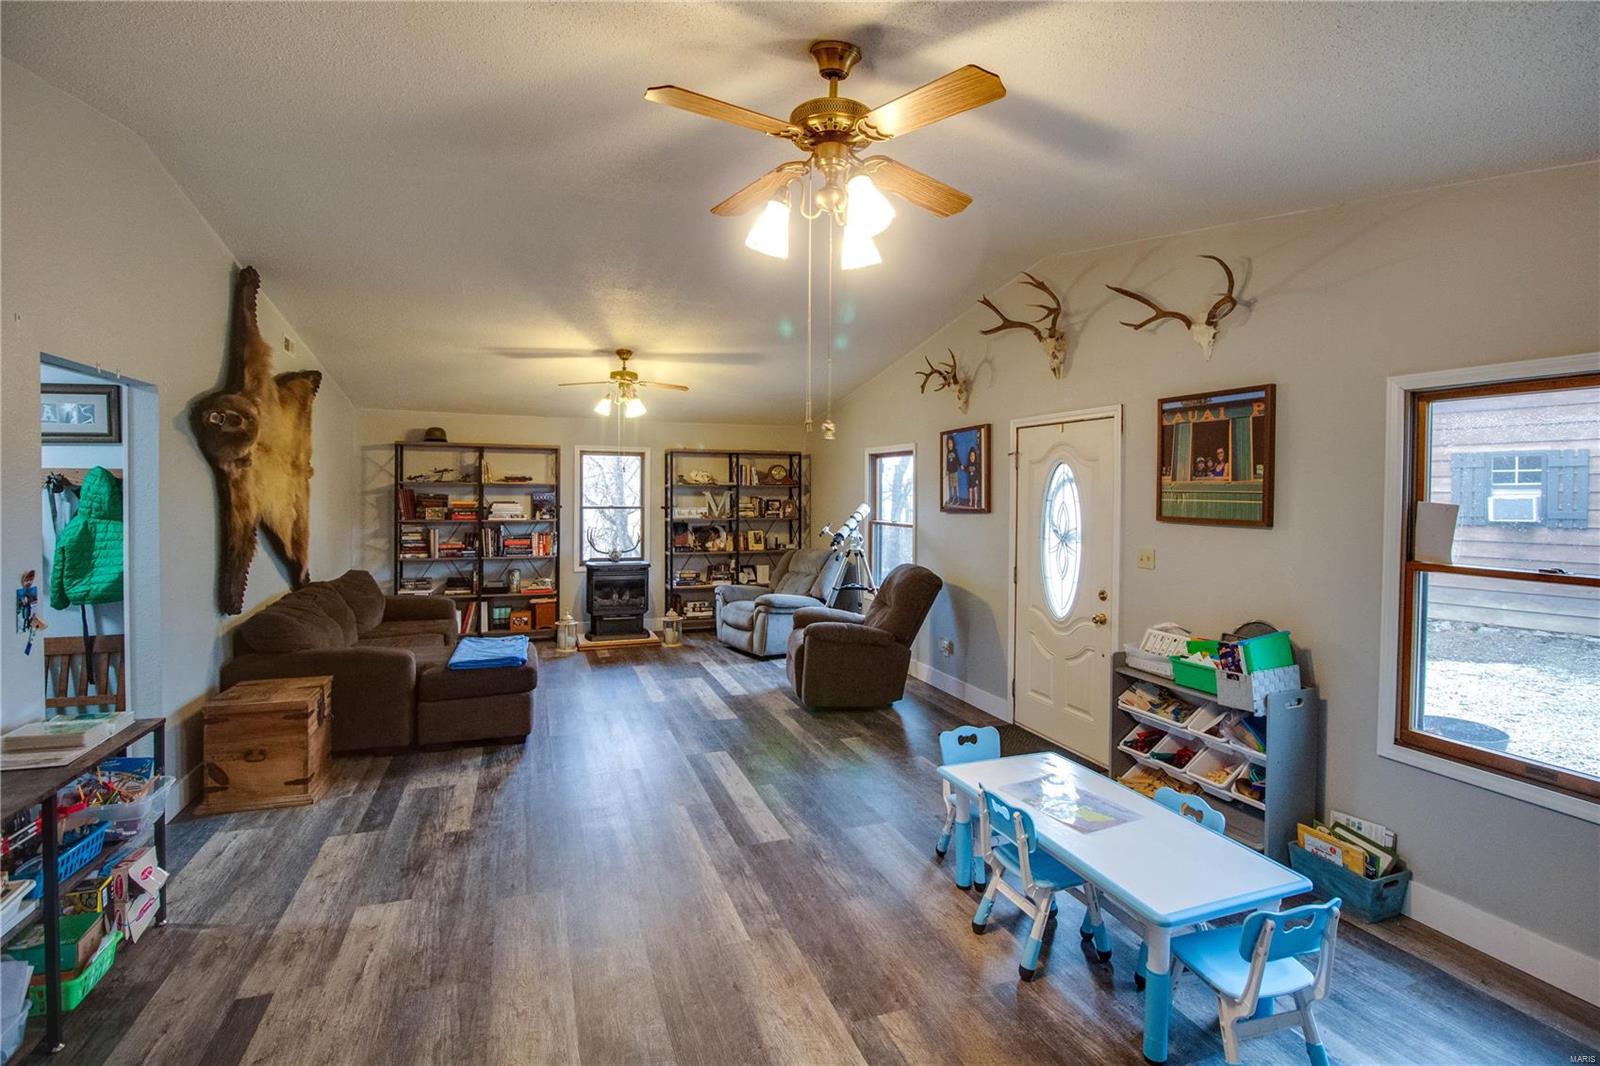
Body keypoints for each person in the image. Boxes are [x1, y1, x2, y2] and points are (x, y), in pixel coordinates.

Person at [945, 437, 962, 507]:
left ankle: (958, 498)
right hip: (950, 471)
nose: (950, 445)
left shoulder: (955, 451)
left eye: (951, 443)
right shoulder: (948, 452)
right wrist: (947, 470)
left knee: (956, 485)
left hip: (955, 471)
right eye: (949, 443)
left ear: (953, 443)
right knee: (951, 485)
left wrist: (960, 465)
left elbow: (957, 459)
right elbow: (947, 462)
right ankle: (953, 498)